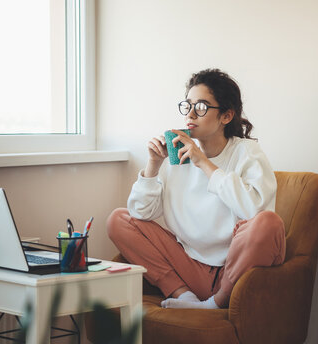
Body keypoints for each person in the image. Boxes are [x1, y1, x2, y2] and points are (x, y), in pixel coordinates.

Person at [107, 69, 285, 309]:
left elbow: (255, 211)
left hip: (235, 271)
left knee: (269, 223)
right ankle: (183, 296)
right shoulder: (176, 154)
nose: (190, 114)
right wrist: (153, 166)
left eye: (201, 107)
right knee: (118, 219)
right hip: (189, 268)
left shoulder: (246, 152)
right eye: (187, 105)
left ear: (226, 115)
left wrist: (204, 163)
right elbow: (140, 213)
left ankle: (216, 304)